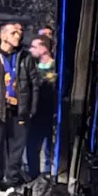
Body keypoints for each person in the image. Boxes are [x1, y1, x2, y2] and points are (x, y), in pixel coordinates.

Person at [0, 22, 37, 196]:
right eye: (14, 33)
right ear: (4, 36)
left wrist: (31, 108)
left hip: (19, 108)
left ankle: (11, 182)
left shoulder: (24, 57)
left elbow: (33, 84)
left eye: (20, 33)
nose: (18, 36)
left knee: (16, 148)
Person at [26, 35, 56, 177]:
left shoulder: (56, 68)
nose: (31, 50)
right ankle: (33, 175)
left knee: (50, 146)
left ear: (44, 48)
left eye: (35, 46)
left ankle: (50, 174)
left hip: (51, 112)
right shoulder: (31, 67)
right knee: (32, 146)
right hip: (35, 112)